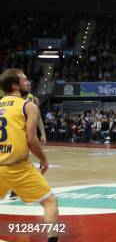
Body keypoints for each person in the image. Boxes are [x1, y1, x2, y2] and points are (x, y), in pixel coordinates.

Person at [0, 69, 60, 242]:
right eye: (24, 80)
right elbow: (32, 140)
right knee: (50, 202)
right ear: (14, 85)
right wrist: (43, 159)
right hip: (18, 166)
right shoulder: (28, 105)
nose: (28, 82)